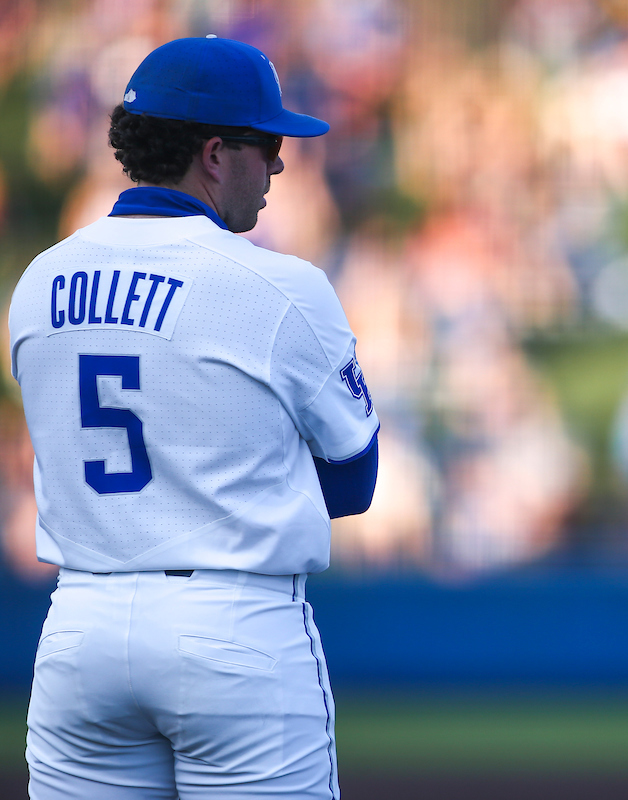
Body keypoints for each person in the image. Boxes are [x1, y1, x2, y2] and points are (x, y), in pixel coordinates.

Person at [10, 36, 379, 799]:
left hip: (81, 628)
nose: (280, 164)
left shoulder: (38, 282)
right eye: (268, 143)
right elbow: (353, 481)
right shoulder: (278, 285)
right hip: (234, 627)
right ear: (215, 153)